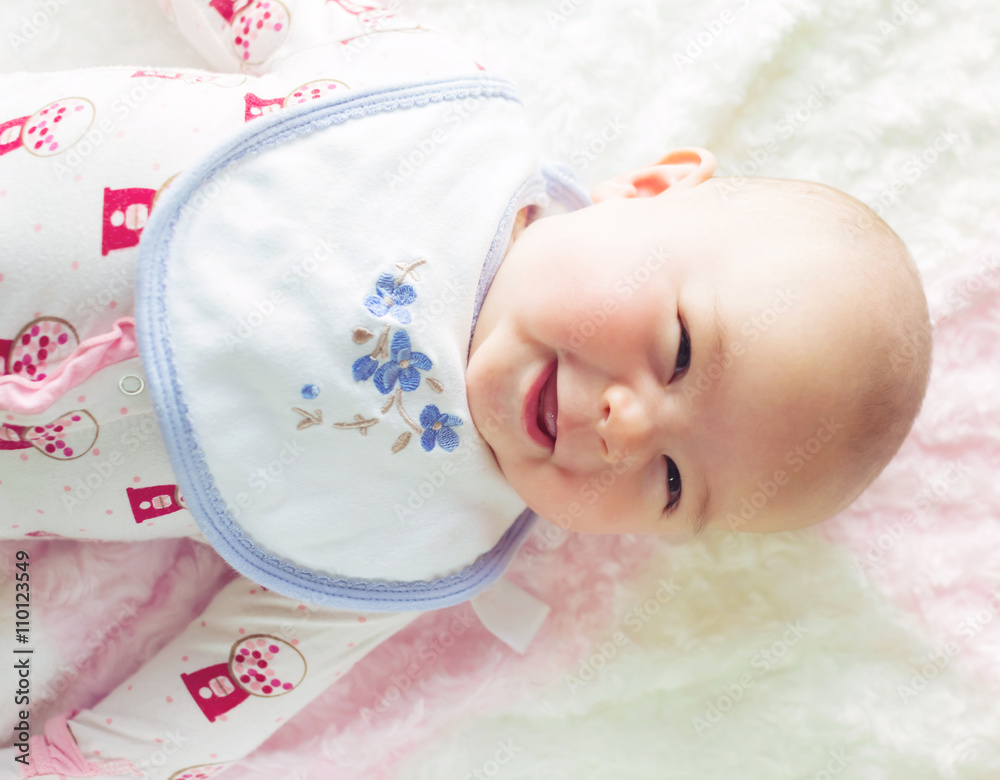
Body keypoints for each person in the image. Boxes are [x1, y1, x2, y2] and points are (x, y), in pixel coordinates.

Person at [0, 0, 931, 777]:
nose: (626, 424)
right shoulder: (432, 107)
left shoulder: (418, 542)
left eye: (674, 482)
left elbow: (228, 687)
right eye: (682, 350)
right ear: (648, 189)